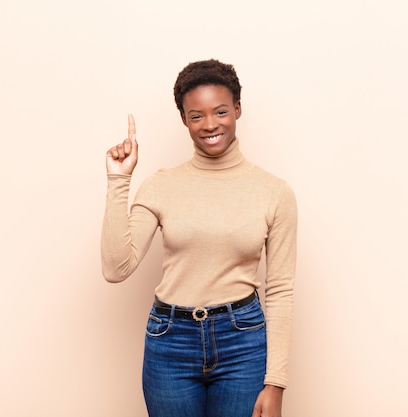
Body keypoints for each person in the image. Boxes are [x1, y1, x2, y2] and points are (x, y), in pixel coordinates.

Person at [101, 59, 297, 417]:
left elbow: (281, 289)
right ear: (184, 119)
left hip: (243, 342)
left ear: (237, 108)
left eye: (220, 111)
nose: (210, 124)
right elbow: (117, 267)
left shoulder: (274, 192)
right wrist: (119, 180)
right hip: (170, 342)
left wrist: (276, 382)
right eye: (196, 116)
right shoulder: (161, 185)